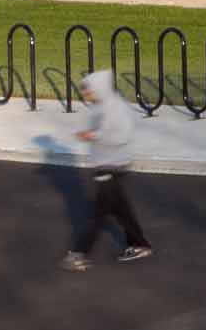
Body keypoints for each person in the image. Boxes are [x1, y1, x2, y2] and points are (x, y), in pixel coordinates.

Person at [63, 69, 154, 271]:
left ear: (99, 88)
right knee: (121, 210)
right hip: (106, 164)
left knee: (98, 214)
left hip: (111, 166)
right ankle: (139, 245)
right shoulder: (102, 106)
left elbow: (122, 136)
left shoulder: (116, 109)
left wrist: (93, 136)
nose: (85, 94)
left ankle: (79, 254)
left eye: (88, 90)